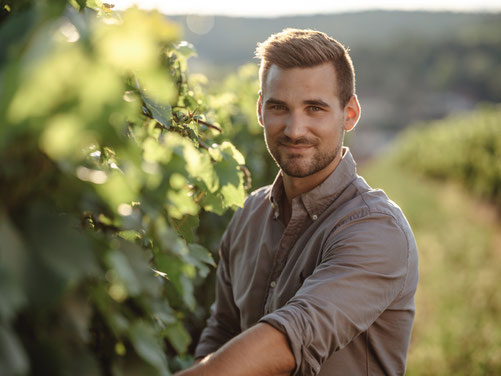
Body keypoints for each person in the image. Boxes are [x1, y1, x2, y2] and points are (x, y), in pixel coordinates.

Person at [175, 28, 419, 376]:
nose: (294, 129)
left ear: (349, 113)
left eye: (315, 108)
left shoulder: (376, 229)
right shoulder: (249, 215)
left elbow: (293, 336)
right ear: (260, 110)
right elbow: (223, 330)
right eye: (279, 107)